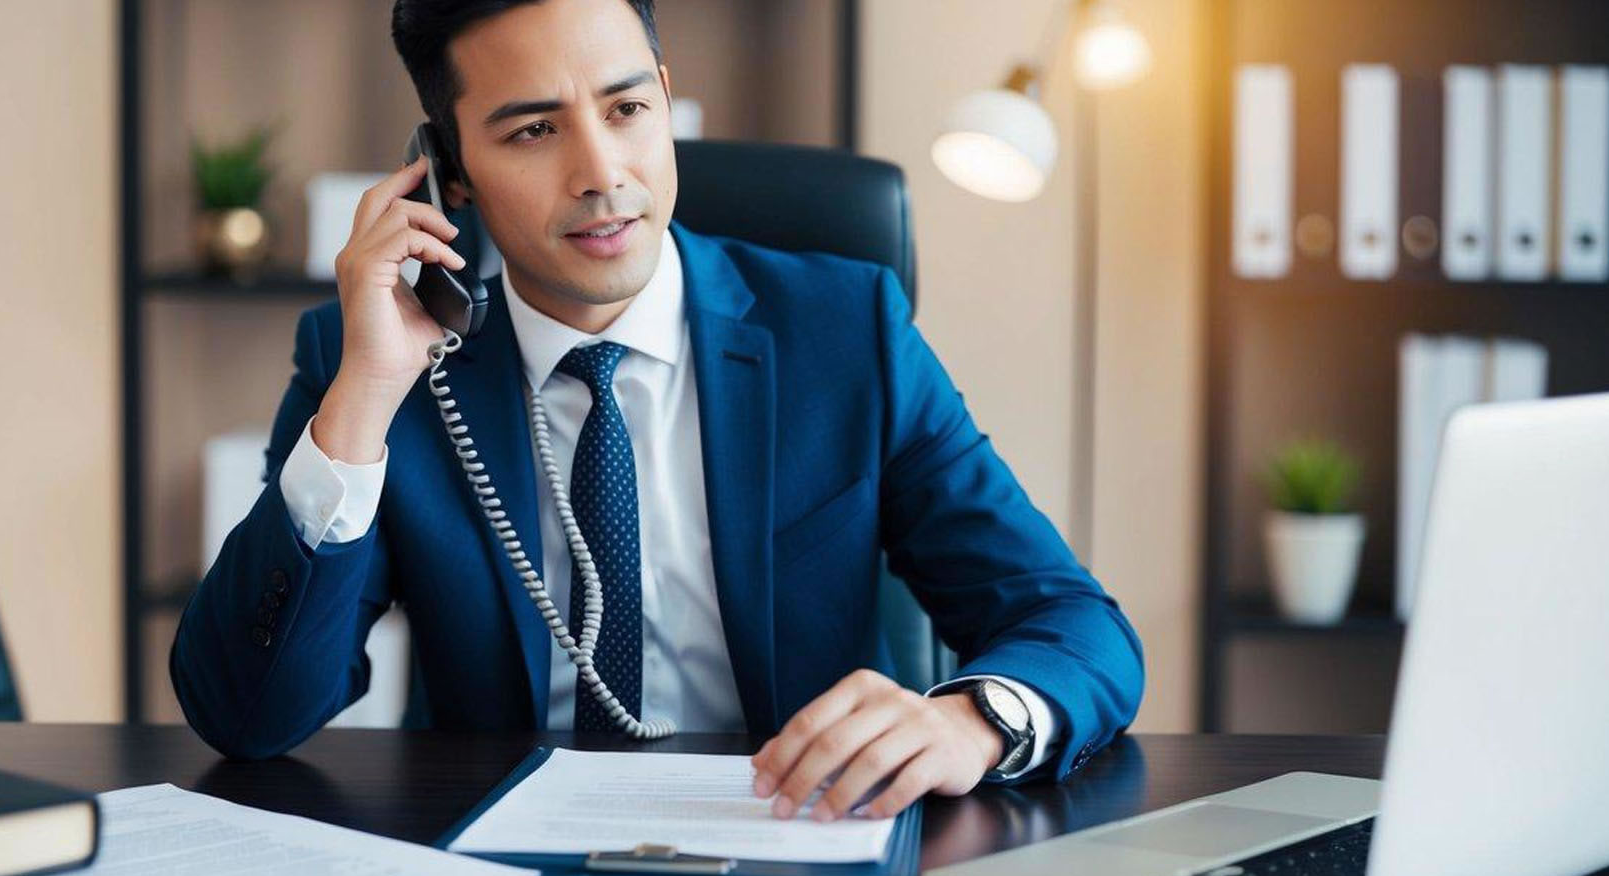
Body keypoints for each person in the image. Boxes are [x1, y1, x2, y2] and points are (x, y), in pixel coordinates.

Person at [171, 0, 1144, 822]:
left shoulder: (844, 331)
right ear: (447, 173)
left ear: (667, 101)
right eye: (533, 129)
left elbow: (1073, 621)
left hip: (803, 842)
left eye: (627, 107)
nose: (602, 174)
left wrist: (970, 720)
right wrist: (365, 400)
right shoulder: (371, 362)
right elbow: (246, 713)